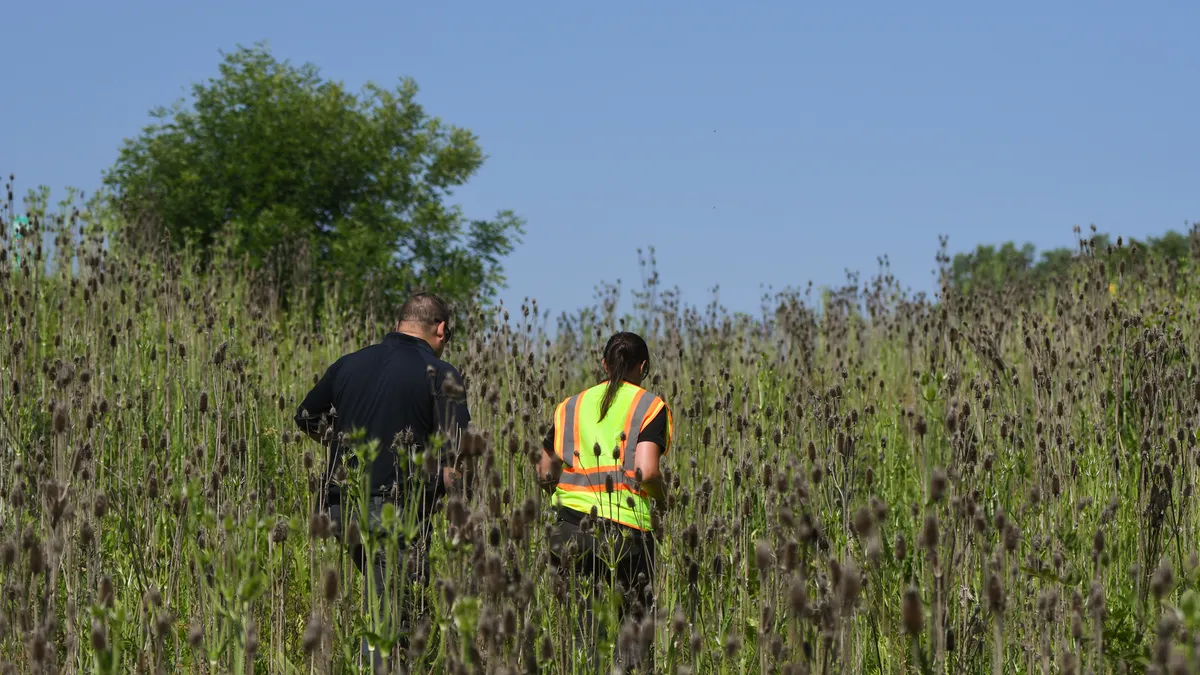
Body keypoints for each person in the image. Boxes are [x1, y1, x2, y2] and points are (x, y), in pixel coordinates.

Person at [294, 292, 470, 671]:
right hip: (395, 510)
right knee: (389, 609)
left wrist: (340, 444)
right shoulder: (440, 373)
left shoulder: (349, 364)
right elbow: (455, 454)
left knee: (392, 597)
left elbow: (306, 415)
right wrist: (459, 513)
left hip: (340, 507)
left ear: (399, 322)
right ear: (441, 329)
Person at [536, 331, 672, 672]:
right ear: (643, 367)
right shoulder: (649, 405)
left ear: (604, 364)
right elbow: (646, 471)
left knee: (580, 636)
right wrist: (663, 502)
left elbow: (544, 471)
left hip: (568, 530)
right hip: (626, 536)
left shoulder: (570, 406)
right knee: (634, 638)